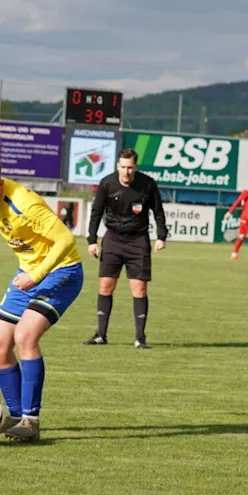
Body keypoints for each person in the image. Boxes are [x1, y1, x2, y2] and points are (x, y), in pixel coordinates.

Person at [0, 149, 84, 442]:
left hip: (60, 273)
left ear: (0, 184)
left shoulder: (25, 204)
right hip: (26, 274)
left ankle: (31, 420)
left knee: (25, 337)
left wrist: (36, 276)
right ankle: (14, 415)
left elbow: (66, 238)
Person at [83, 148, 166, 348]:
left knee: (139, 288)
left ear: (135, 167)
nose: (126, 171)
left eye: (130, 167)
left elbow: (158, 211)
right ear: (117, 166)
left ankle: (140, 338)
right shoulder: (107, 184)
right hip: (112, 239)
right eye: (123, 167)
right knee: (105, 286)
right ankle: (100, 335)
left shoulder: (147, 184)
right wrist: (92, 240)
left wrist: (161, 236)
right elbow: (96, 212)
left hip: (138, 241)